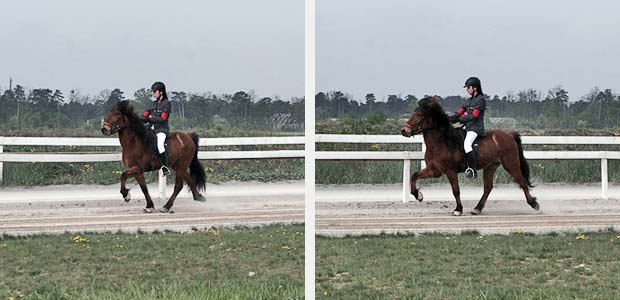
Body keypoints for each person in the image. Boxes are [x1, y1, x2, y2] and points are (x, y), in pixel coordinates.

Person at [449, 76, 486, 179]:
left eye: (468, 87)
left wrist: (459, 120)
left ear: (475, 88)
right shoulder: (468, 101)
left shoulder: (480, 100)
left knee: (467, 145)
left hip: (475, 128)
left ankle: (472, 169)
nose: (467, 89)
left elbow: (473, 116)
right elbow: (458, 112)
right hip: (467, 127)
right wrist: (448, 118)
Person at [142, 81, 172, 176]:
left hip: (161, 130)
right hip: (151, 129)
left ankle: (165, 166)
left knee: (160, 145)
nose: (153, 94)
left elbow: (163, 118)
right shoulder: (153, 104)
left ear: (161, 92)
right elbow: (145, 115)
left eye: (155, 92)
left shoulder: (166, 104)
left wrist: (150, 118)